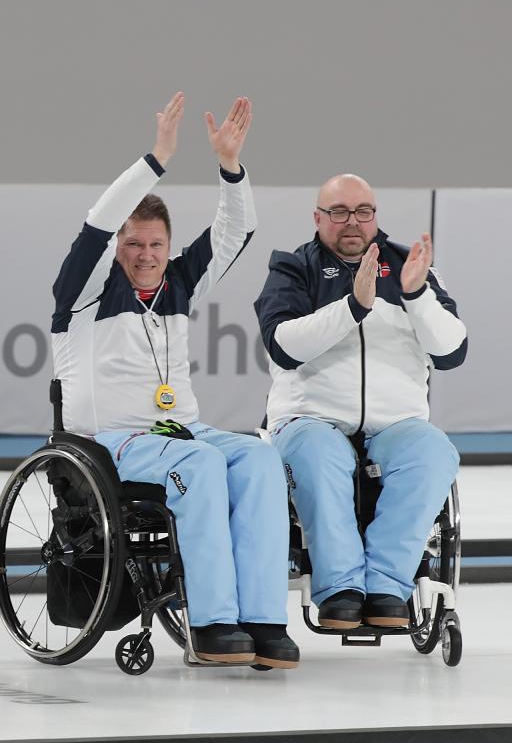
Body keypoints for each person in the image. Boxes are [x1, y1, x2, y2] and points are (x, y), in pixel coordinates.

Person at [51, 93, 298, 668]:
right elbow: (96, 224)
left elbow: (236, 231)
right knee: (203, 466)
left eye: (156, 244)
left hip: (182, 432)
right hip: (111, 442)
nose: (145, 255)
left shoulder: (178, 285)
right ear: (118, 247)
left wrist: (231, 169)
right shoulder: (85, 292)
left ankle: (262, 618)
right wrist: (155, 159)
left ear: (168, 247)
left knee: (260, 459)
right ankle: (211, 625)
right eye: (133, 244)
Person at [255, 174, 466, 629]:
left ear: (375, 216)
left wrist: (416, 296)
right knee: (319, 455)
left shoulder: (412, 266)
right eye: (339, 212)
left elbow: (452, 351)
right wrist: (353, 306)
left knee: (434, 454)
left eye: (363, 211)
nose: (352, 222)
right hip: (310, 418)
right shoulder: (293, 267)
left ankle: (389, 585)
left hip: (397, 422)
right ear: (318, 218)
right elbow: (282, 345)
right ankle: (341, 587)